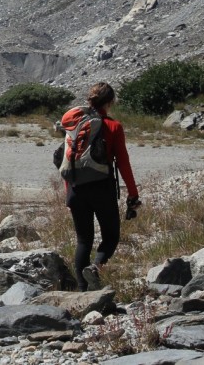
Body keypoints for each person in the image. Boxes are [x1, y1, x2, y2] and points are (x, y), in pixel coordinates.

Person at [62, 81, 140, 291]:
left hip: (76, 188)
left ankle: (82, 290)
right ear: (110, 101)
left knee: (83, 241)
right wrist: (133, 194)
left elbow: (67, 160)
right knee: (111, 236)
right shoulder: (114, 127)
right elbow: (123, 163)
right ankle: (96, 268)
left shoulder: (74, 125)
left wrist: (68, 192)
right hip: (102, 188)